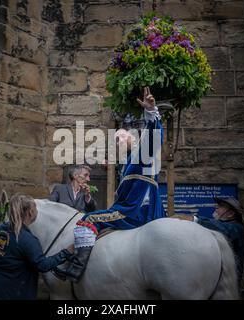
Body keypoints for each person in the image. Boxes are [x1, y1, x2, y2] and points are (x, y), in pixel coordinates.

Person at [54, 87, 166, 282]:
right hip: (132, 208)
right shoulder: (130, 159)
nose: (118, 140)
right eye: (116, 139)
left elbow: (154, 139)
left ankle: (76, 270)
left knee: (88, 220)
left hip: (135, 212)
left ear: (134, 137)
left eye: (122, 136)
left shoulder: (142, 152)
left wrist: (151, 112)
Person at [0, 194, 73, 300]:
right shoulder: (27, 240)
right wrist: (66, 252)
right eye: (35, 208)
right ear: (31, 213)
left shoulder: (0, 229)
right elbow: (43, 265)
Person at [176, 197, 244, 281]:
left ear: (230, 214)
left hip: (228, 282)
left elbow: (223, 228)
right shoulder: (222, 224)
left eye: (221, 206)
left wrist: (195, 219)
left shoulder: (237, 228)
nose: (216, 207)